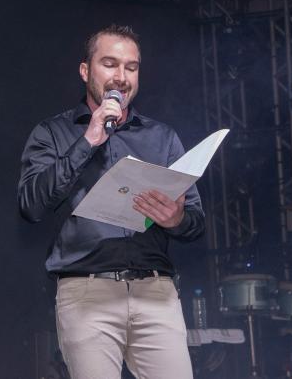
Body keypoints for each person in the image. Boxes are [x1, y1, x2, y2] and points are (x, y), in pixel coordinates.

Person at [18, 24, 205, 379]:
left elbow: (196, 223)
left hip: (156, 292)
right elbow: (31, 205)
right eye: (109, 64)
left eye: (131, 67)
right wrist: (88, 140)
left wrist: (176, 219)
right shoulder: (53, 133)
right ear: (85, 70)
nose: (121, 77)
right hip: (88, 293)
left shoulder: (161, 137)